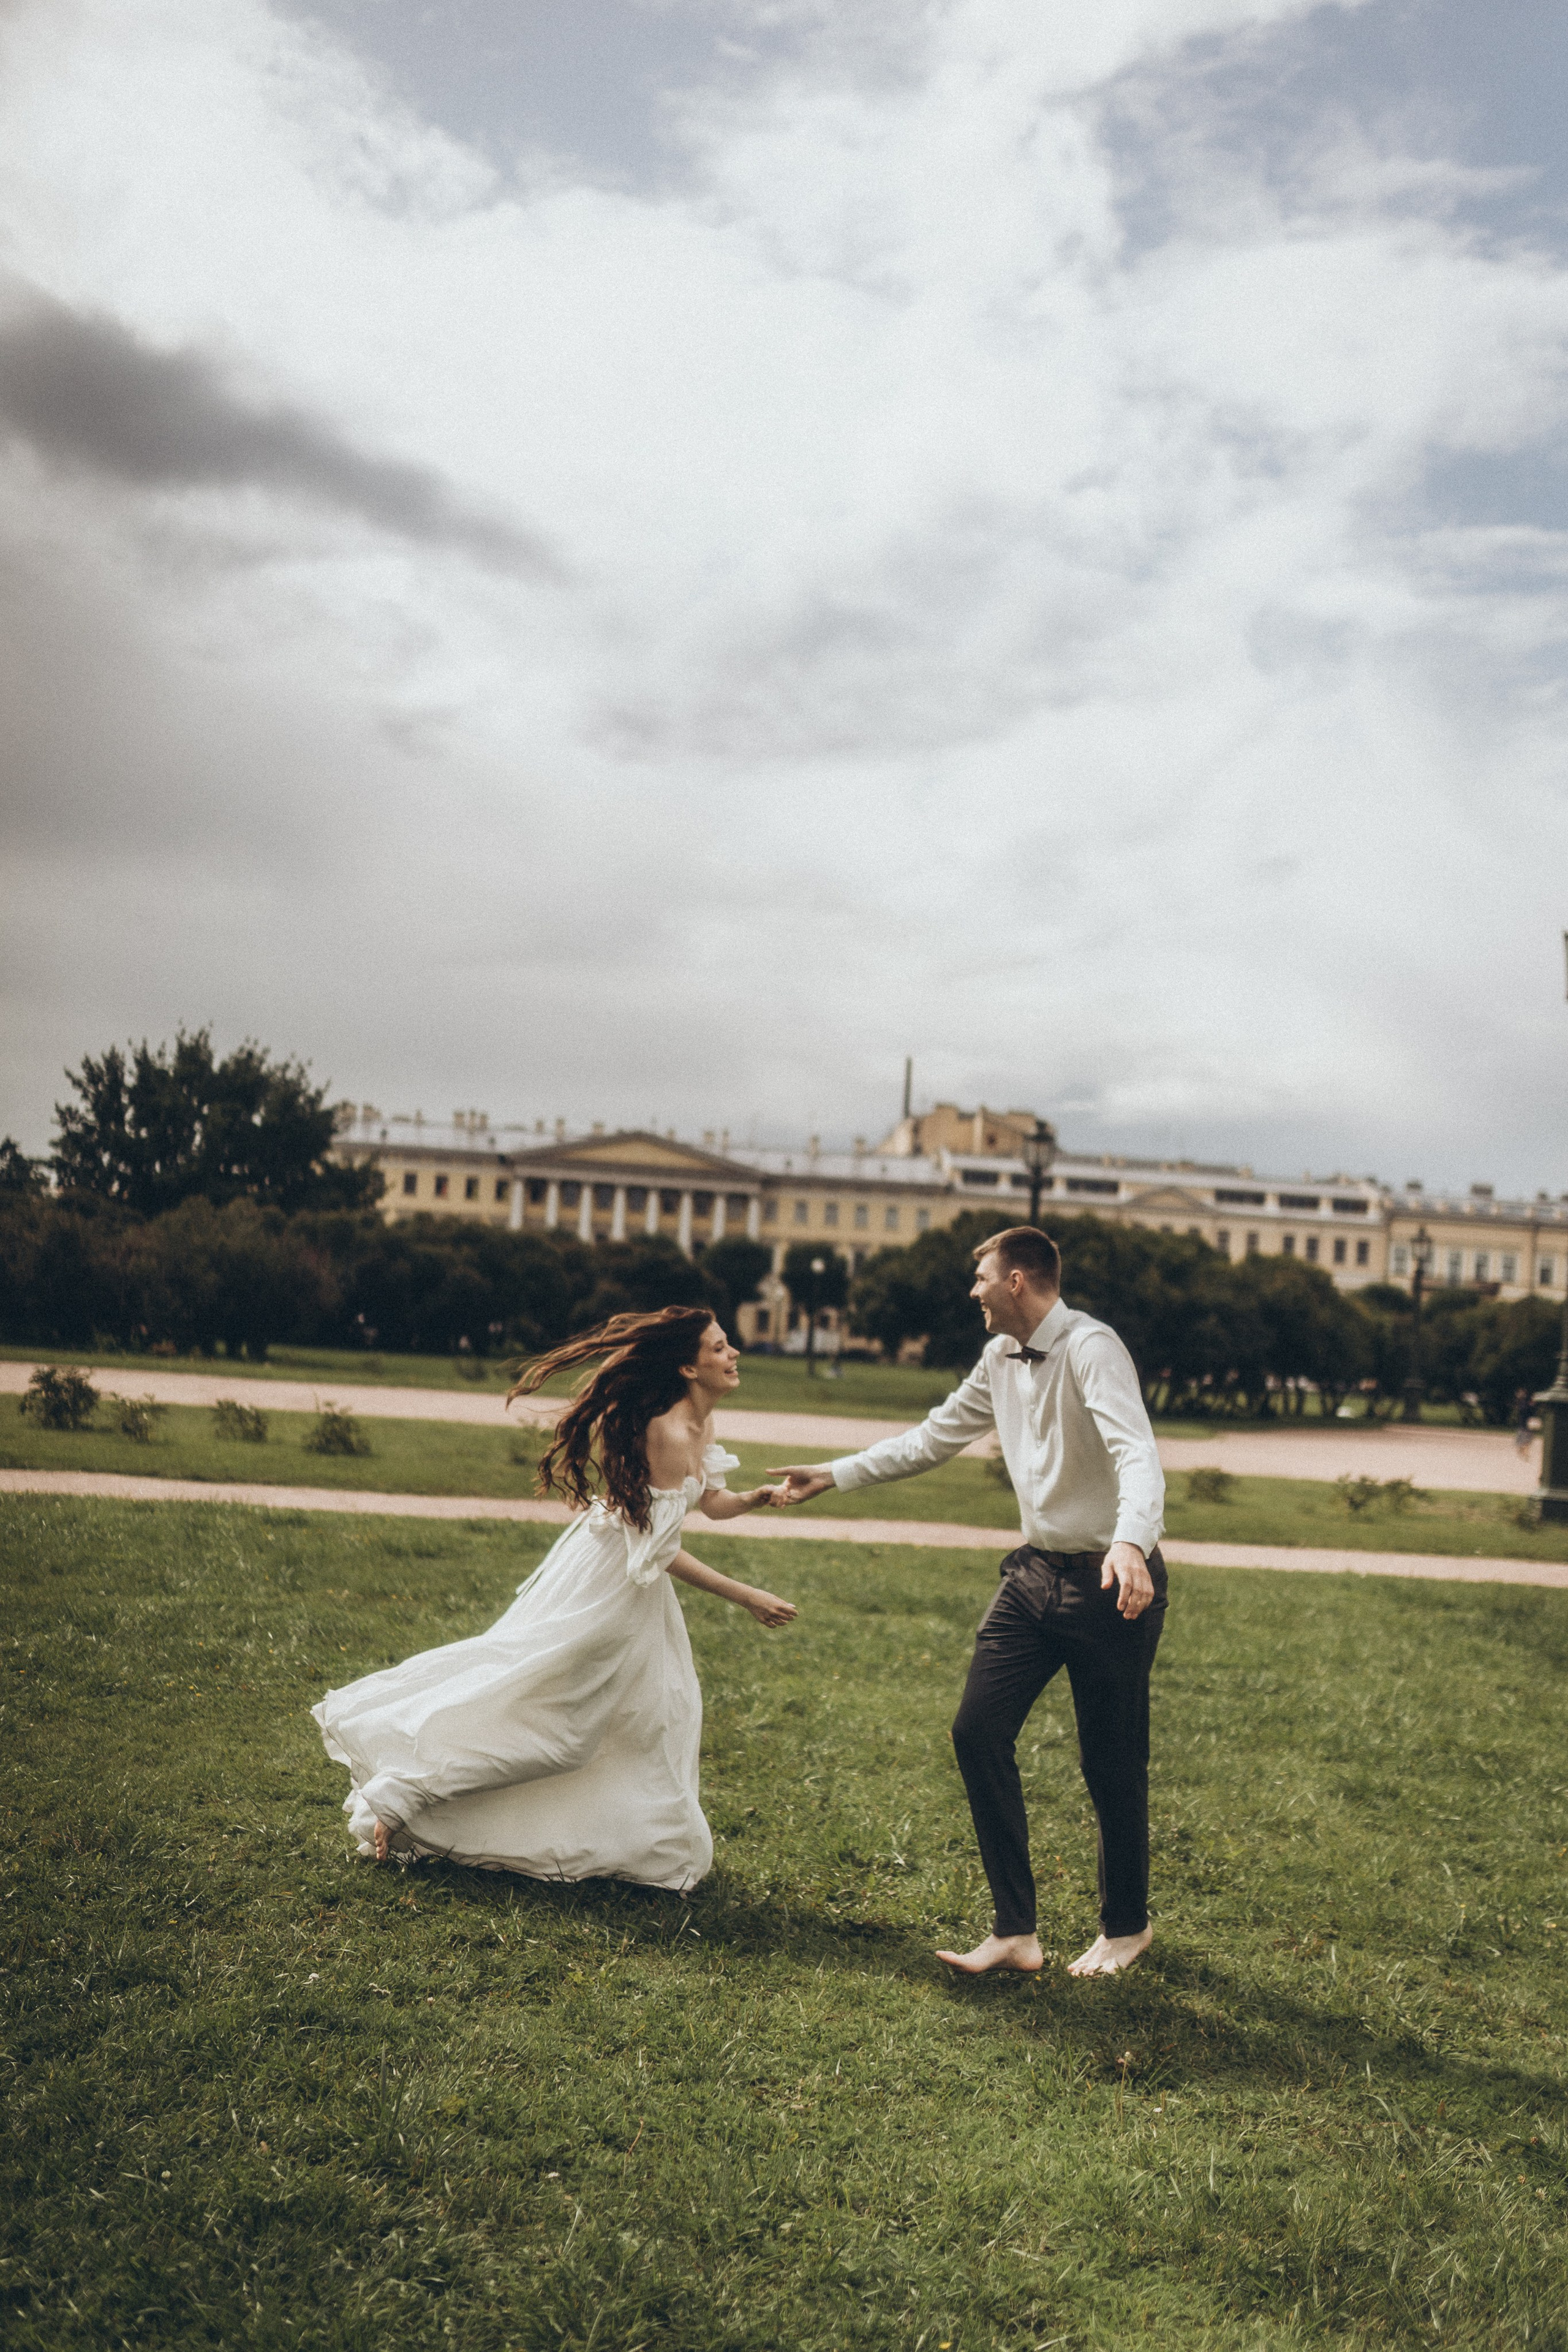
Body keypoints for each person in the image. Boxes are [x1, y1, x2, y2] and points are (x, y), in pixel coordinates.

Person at [770, 1226, 1166, 1978]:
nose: (972, 1290)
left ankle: (1126, 1928)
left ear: (1017, 1281)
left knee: (1111, 1761)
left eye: (980, 1277)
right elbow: (932, 1438)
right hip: (1030, 1580)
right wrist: (837, 1473)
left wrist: (1129, 1542)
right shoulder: (998, 1357)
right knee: (976, 1731)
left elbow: (1135, 1452)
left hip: (1110, 1580)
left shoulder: (1091, 1347)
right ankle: (1016, 1931)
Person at [312, 1306, 795, 1891]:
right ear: (689, 1367)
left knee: (656, 1715)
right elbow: (658, 1550)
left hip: (635, 1586)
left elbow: (708, 1499)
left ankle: (651, 1844)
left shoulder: (701, 1425)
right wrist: (748, 1597)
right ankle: (405, 1789)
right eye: (720, 1348)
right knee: (562, 1731)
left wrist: (755, 1499)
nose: (733, 1354)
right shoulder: (666, 1430)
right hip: (610, 1586)